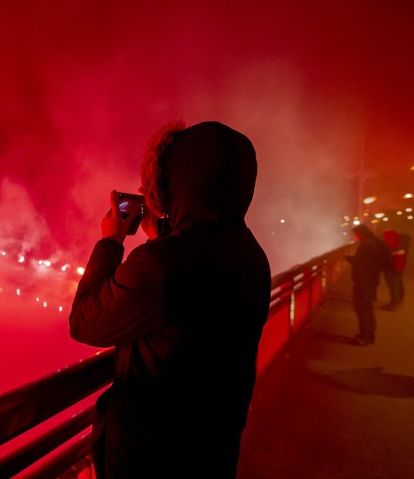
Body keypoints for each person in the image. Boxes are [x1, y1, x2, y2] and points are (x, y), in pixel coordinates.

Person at [69, 121, 272, 478]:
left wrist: (111, 242)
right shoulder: (250, 253)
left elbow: (85, 322)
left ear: (171, 184)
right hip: (213, 450)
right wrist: (163, 234)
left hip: (149, 459)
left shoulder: (160, 265)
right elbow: (191, 286)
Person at [345, 224, 391, 345]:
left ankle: (365, 337)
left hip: (363, 281)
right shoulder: (375, 242)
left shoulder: (366, 244)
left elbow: (362, 263)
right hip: (372, 280)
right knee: (367, 307)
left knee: (362, 308)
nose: (356, 237)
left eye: (357, 235)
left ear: (361, 233)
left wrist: (350, 259)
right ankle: (369, 334)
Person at [382, 229, 408, 310]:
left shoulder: (394, 246)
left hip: (392, 270)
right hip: (396, 269)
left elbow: (394, 259)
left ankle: (394, 304)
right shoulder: (399, 245)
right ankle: (397, 302)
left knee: (394, 287)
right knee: (397, 286)